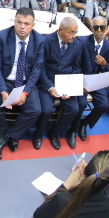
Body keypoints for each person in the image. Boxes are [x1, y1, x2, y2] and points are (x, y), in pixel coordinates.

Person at [0, 7, 45, 158]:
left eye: (27, 24)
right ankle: (5, 133)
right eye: (19, 22)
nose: (22, 27)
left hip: (25, 83)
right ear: (14, 21)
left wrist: (25, 92)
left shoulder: (39, 40)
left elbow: (36, 70)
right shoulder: (2, 36)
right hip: (5, 80)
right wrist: (2, 91)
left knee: (35, 110)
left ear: (33, 25)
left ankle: (9, 135)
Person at [36, 17, 83, 150]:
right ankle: (38, 135)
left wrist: (71, 88)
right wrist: (49, 87)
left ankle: (55, 133)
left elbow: (76, 68)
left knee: (74, 109)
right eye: (71, 32)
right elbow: (40, 68)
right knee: (46, 110)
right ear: (61, 30)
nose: (74, 36)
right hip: (48, 82)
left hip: (66, 83)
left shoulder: (77, 45)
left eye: (76, 32)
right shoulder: (46, 41)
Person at [76, 17, 109, 142]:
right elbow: (76, 64)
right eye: (96, 27)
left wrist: (104, 65)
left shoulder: (108, 47)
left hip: (96, 80)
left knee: (103, 105)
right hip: (81, 79)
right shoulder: (82, 42)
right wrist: (80, 81)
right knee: (81, 103)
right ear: (92, 28)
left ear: (106, 29)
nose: (99, 30)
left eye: (102, 28)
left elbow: (108, 69)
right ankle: (74, 126)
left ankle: (84, 123)